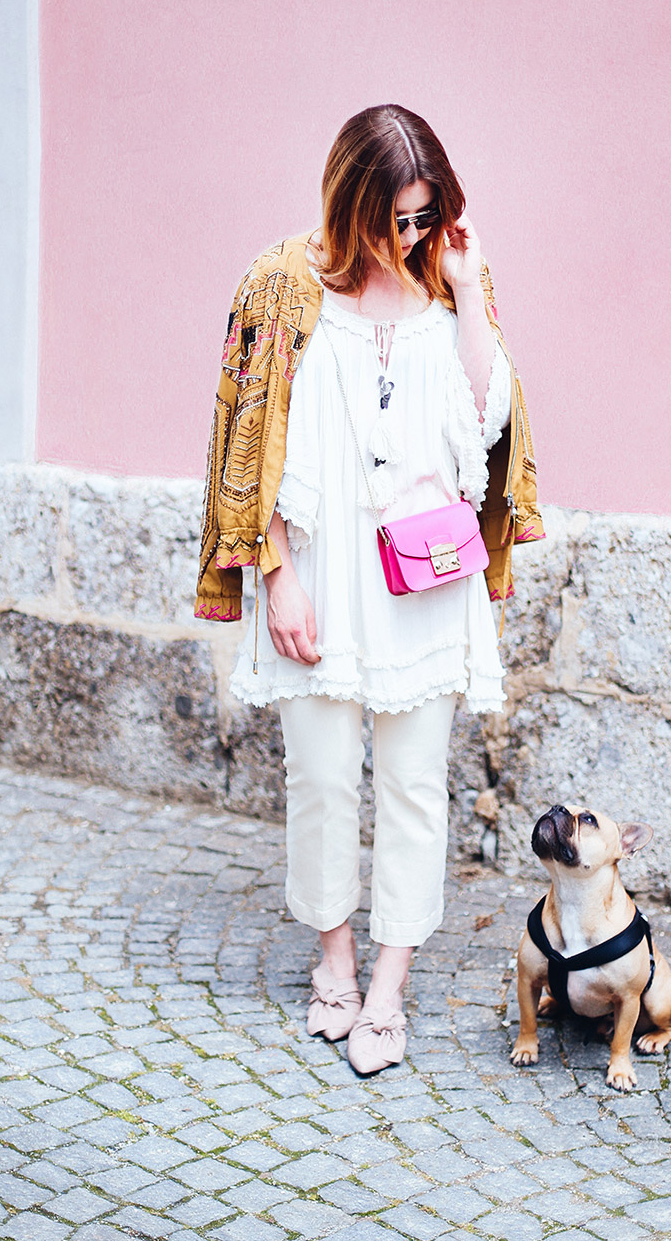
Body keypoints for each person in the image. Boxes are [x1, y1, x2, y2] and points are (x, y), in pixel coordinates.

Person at [196, 105, 543, 1073]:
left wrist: (469, 290)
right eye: (395, 217)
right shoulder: (281, 285)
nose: (410, 236)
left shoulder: (445, 285)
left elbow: (485, 425)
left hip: (421, 581)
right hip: (318, 574)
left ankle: (388, 986)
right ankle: (334, 962)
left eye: (425, 216)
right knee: (316, 779)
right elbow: (245, 442)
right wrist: (278, 579)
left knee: (412, 788)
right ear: (349, 203)